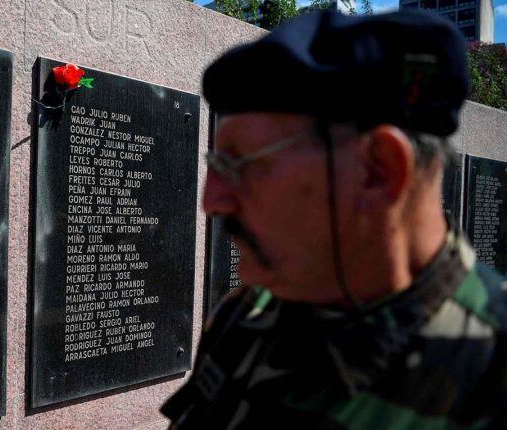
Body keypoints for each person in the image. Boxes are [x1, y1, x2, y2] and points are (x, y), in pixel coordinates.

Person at [161, 9, 507, 429]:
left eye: (239, 168)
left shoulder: (491, 371)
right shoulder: (244, 319)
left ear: (379, 172)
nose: (211, 202)